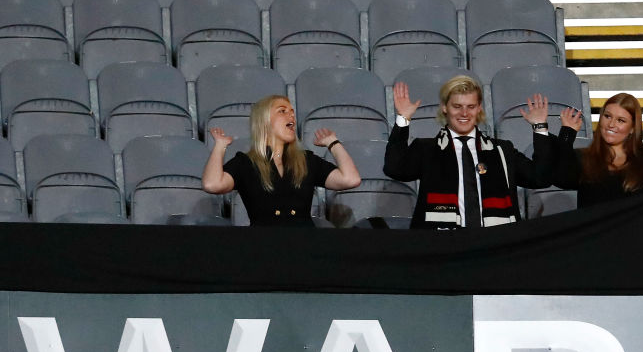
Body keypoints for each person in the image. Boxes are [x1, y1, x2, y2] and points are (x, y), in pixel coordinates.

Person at [383, 74, 554, 228]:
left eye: (471, 106)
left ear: (479, 108)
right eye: (457, 106)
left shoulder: (501, 150)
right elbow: (395, 169)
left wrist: (540, 128)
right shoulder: (427, 149)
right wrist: (403, 119)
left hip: (495, 246)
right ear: (445, 107)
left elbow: (540, 178)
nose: (464, 113)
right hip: (440, 247)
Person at [202, 94, 362, 226]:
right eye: (282, 111)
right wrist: (220, 146)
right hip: (264, 245)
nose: (291, 114)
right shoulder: (246, 162)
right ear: (264, 121)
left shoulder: (306, 160)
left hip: (304, 244)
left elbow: (350, 179)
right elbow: (212, 184)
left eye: (292, 111)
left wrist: (333, 143)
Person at [553, 92, 643, 208]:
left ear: (633, 128)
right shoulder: (583, 157)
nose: (611, 124)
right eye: (607, 116)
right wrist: (567, 133)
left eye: (621, 120)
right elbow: (561, 179)